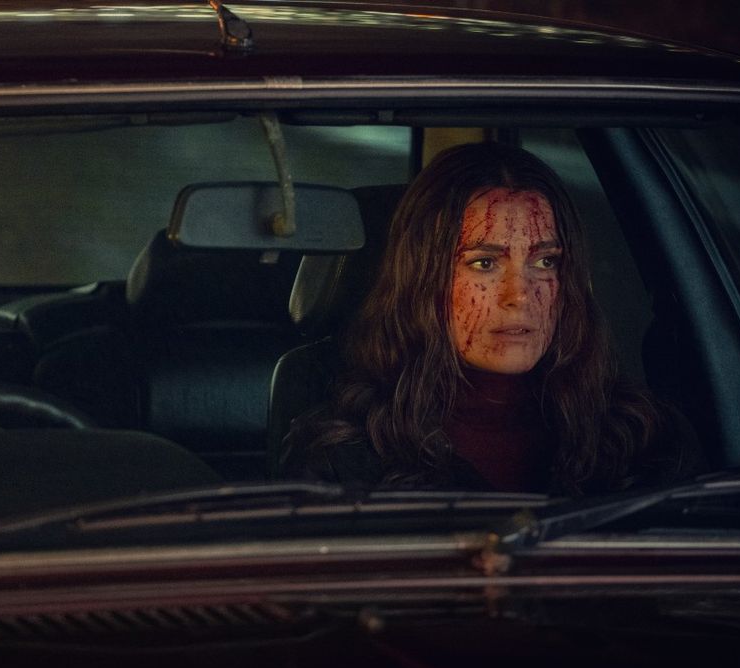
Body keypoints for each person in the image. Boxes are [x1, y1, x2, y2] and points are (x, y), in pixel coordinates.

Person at [282, 142, 702, 496]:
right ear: (423, 280)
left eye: (545, 261)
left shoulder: (640, 436)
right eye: (484, 263)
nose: (519, 295)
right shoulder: (345, 451)